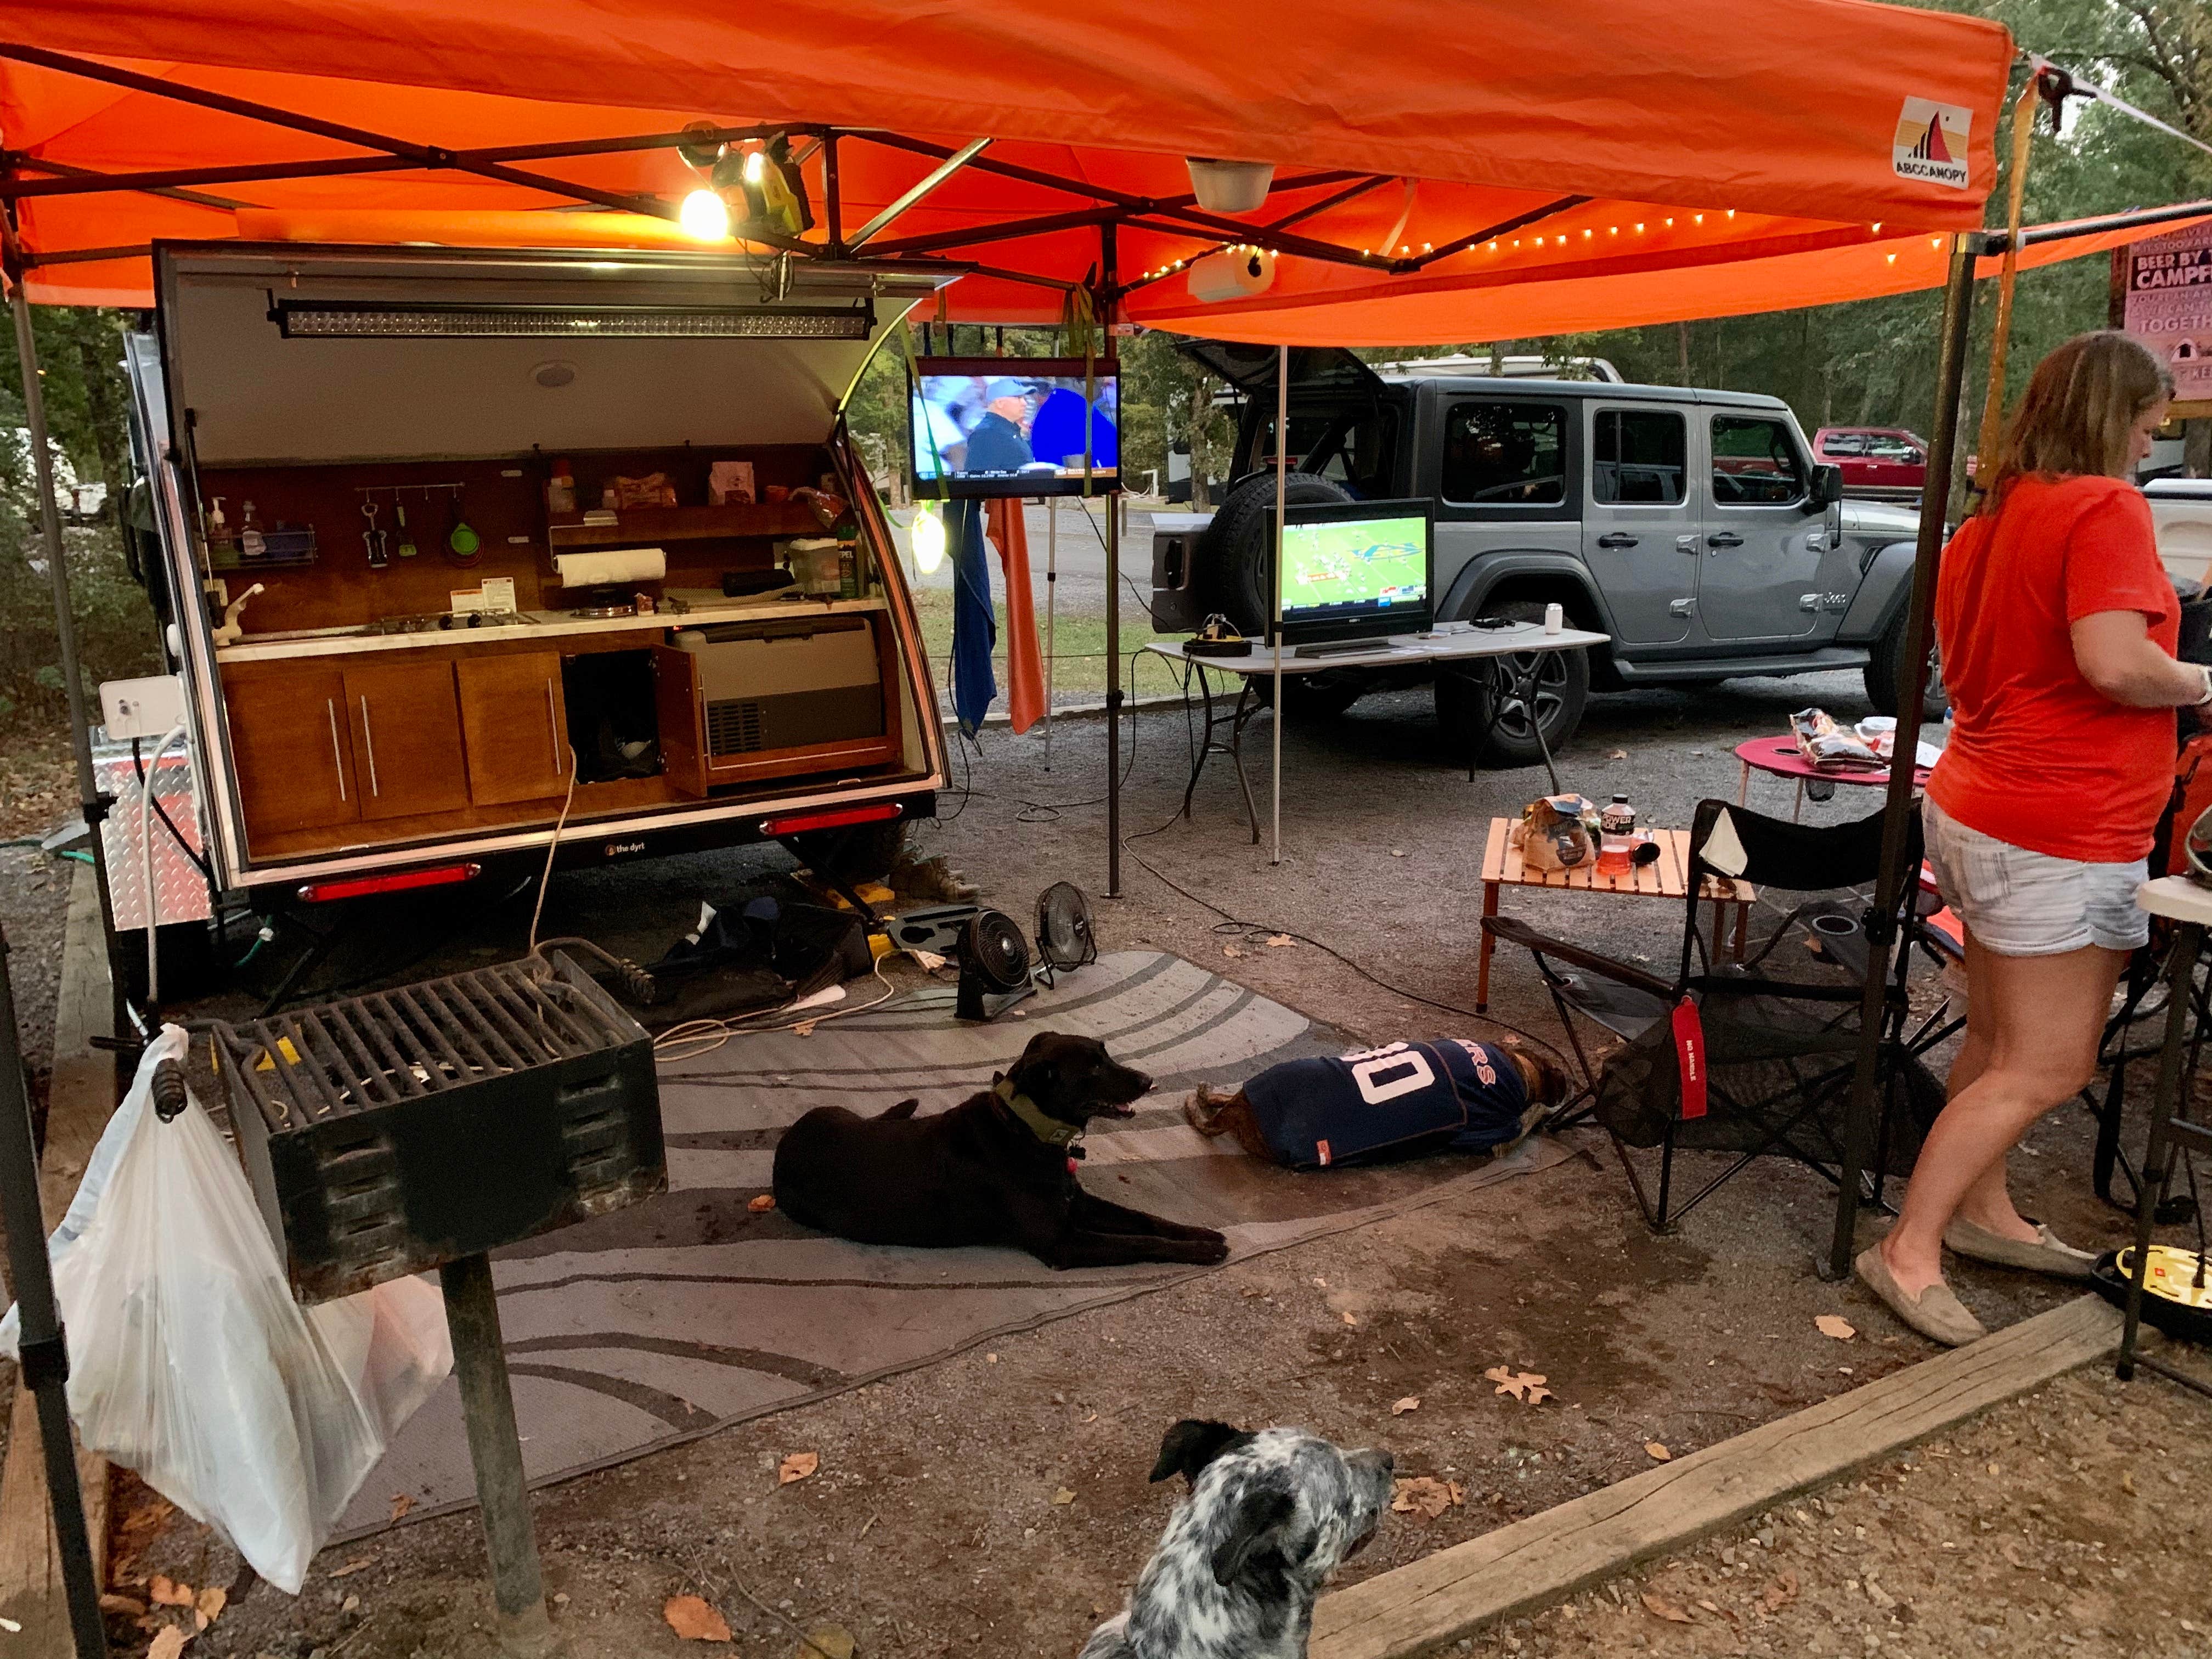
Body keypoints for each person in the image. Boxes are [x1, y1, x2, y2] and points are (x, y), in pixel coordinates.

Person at [1857, 330, 2208, 1346]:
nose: (2153, 437)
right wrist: (2195, 679)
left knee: (1997, 1040)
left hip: (1977, 802)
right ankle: (1909, 1248)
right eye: (2148, 420)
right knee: (2050, 1062)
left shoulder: (1990, 518)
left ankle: (1982, 1212)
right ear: (2113, 412)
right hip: (2060, 824)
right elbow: (2110, 663)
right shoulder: (2103, 506)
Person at [1185, 1039, 1566, 1170]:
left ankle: (1226, 1107)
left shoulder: (1469, 1046)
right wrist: (1530, 1120)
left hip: (1279, 1083)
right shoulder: (1501, 1110)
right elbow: (1490, 1143)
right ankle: (1226, 1118)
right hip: (1292, 1139)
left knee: (1336, 1076)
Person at [959, 378, 1035, 476]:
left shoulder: (1009, 430)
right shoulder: (987, 434)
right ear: (1000, 403)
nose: (1025, 403)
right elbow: (979, 479)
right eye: (1018, 398)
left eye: (1024, 398)